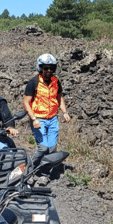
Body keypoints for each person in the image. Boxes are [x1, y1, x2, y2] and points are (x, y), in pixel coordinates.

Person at [23, 53, 71, 183]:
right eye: (45, 68)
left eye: (51, 68)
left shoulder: (56, 82)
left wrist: (64, 112)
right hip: (39, 119)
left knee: (51, 149)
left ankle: (44, 174)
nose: (48, 71)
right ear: (40, 68)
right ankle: (30, 171)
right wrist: (34, 119)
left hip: (53, 119)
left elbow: (59, 98)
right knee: (42, 148)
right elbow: (26, 102)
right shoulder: (34, 82)